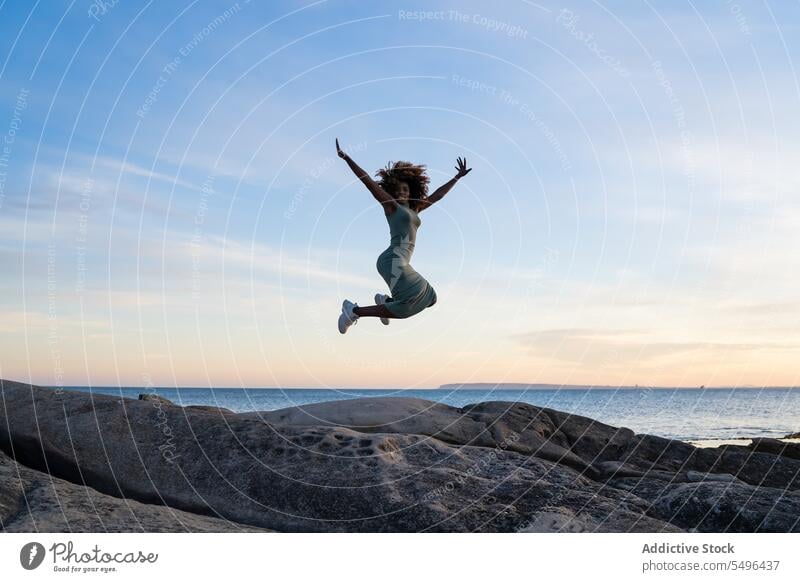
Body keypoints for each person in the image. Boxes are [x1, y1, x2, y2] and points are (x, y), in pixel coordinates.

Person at [334, 138, 472, 334]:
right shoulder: (391, 206)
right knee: (411, 303)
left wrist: (457, 177)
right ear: (392, 192)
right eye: (397, 190)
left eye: (405, 190)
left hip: (400, 261)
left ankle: (386, 302)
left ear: (412, 191)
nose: (401, 193)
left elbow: (438, 195)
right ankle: (353, 311)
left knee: (430, 298)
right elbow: (367, 181)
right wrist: (346, 158)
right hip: (392, 260)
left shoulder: (416, 208)